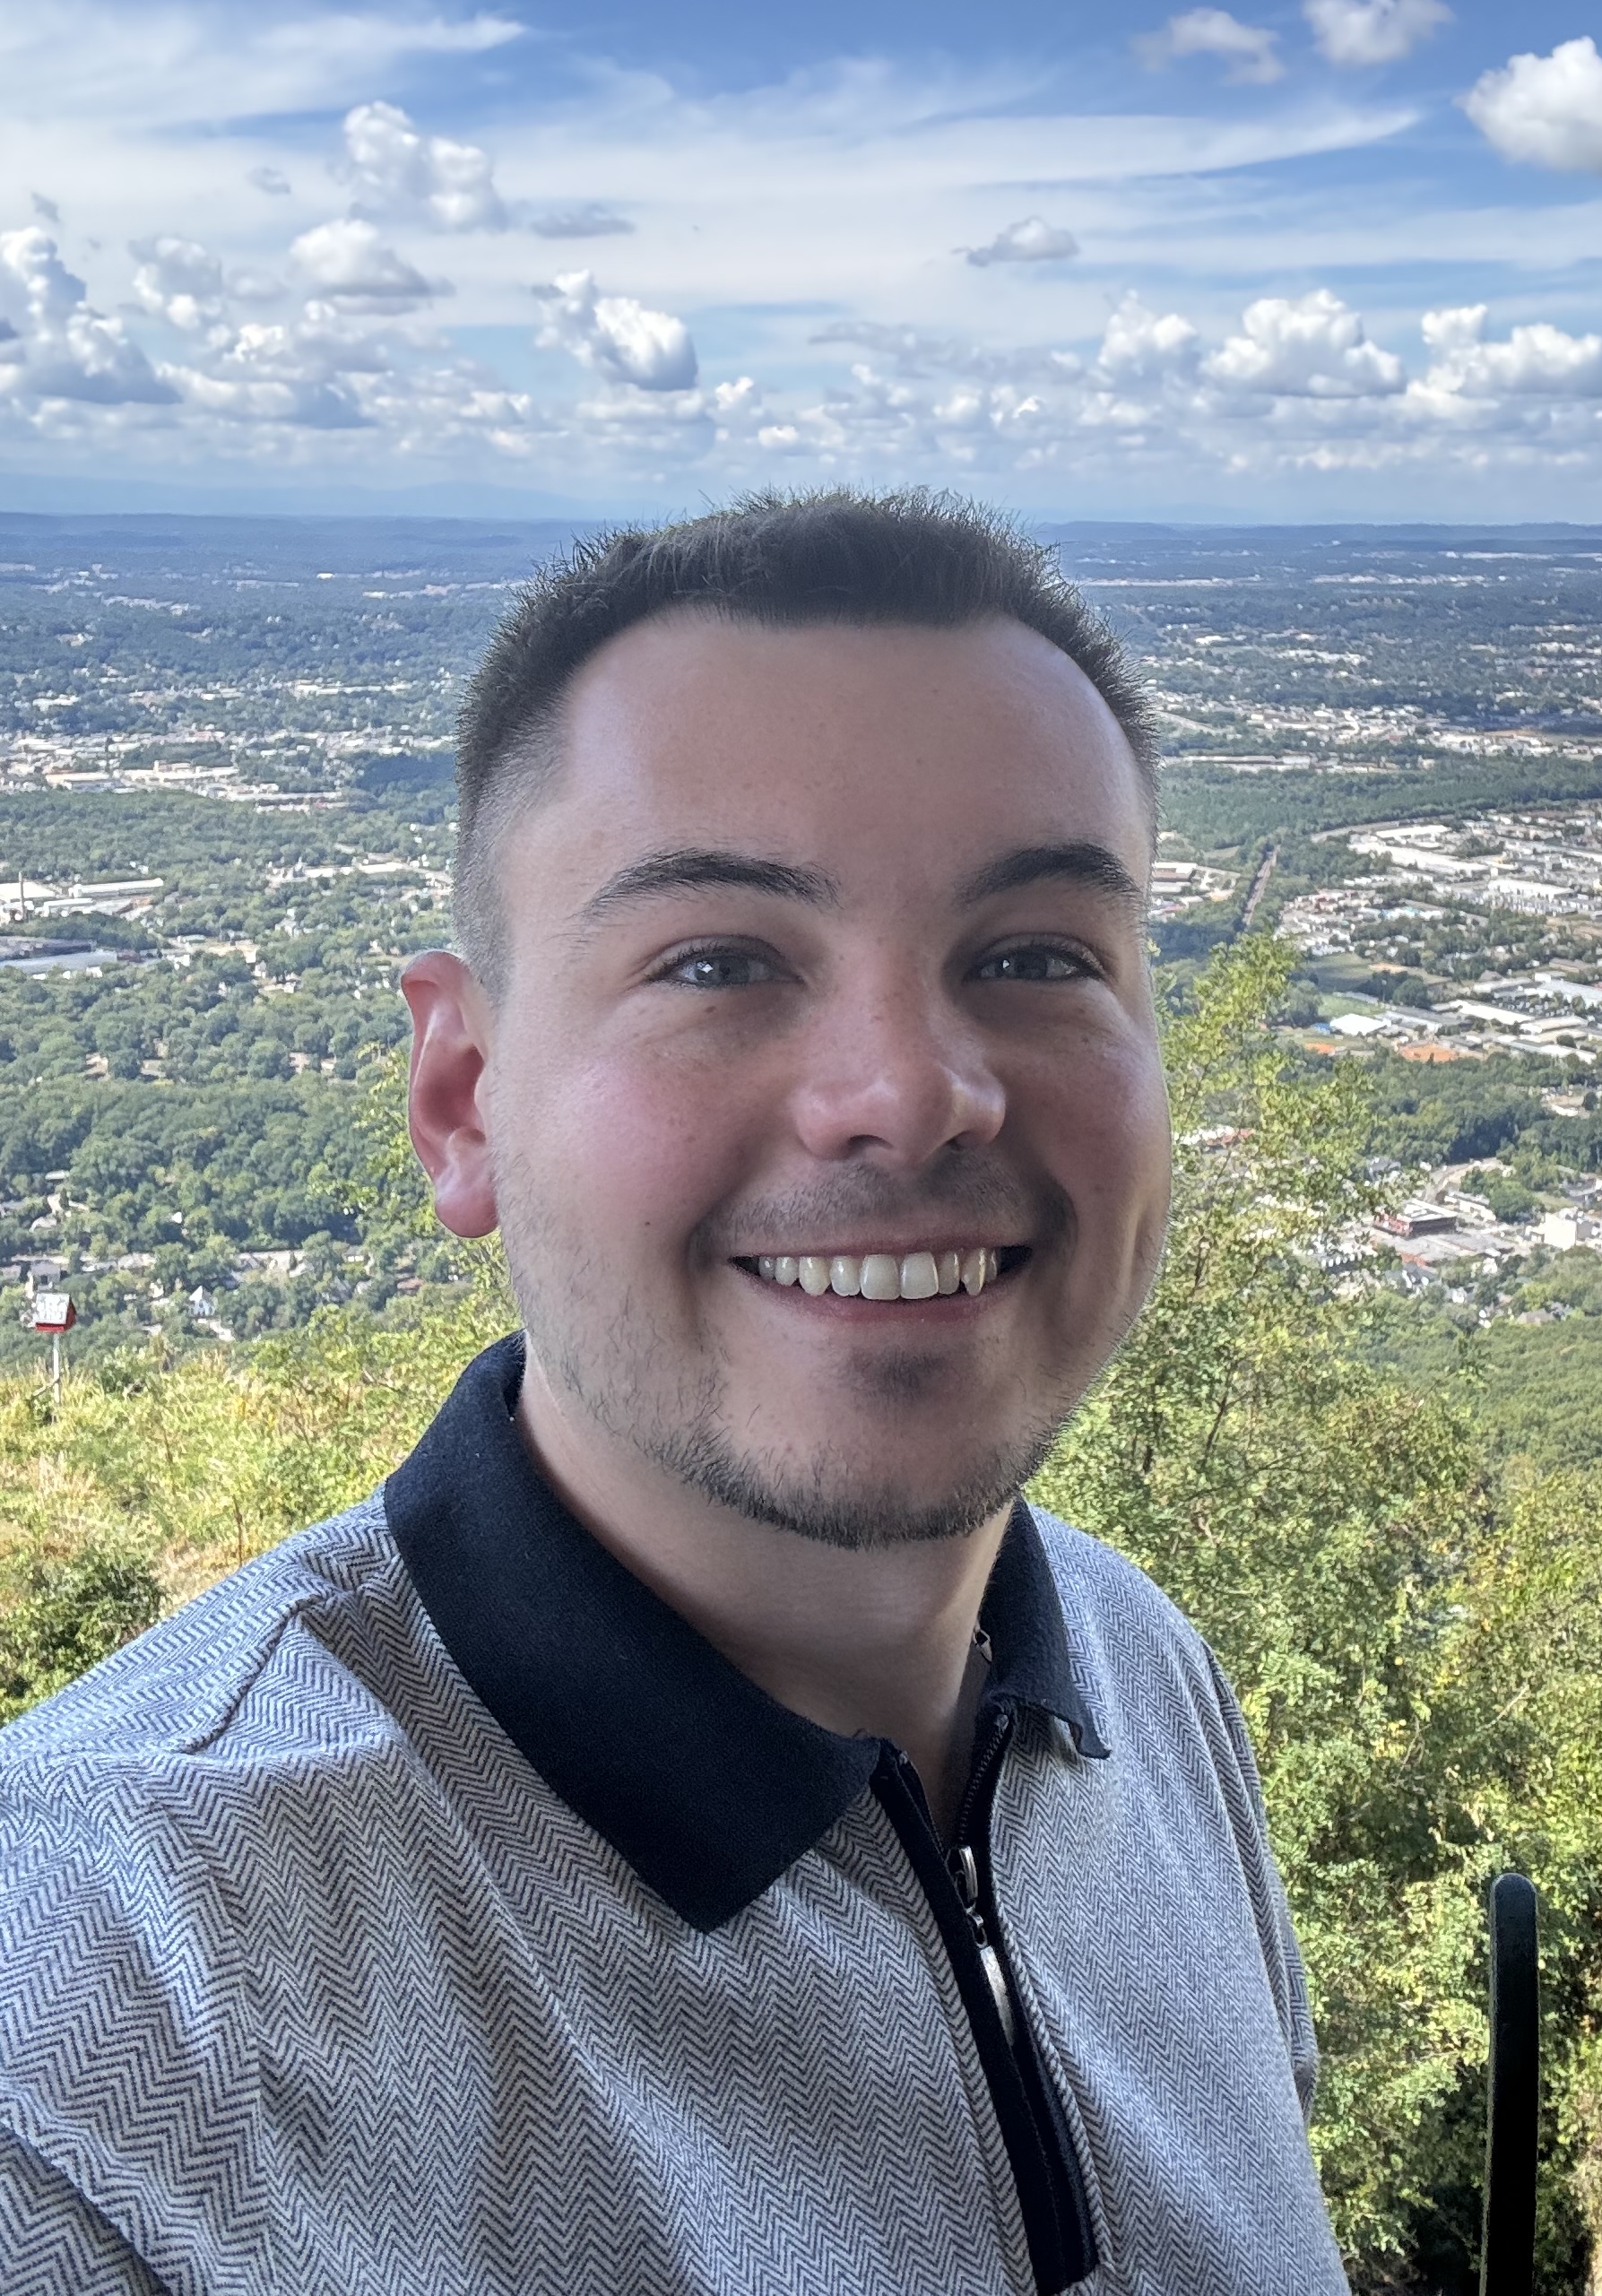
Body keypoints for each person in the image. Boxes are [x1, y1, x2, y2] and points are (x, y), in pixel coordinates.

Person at [0, 490, 1350, 2294]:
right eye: (718, 959)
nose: (911, 1091)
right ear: (463, 1098)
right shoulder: (115, 2023)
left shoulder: (1141, 1681)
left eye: (1036, 953)